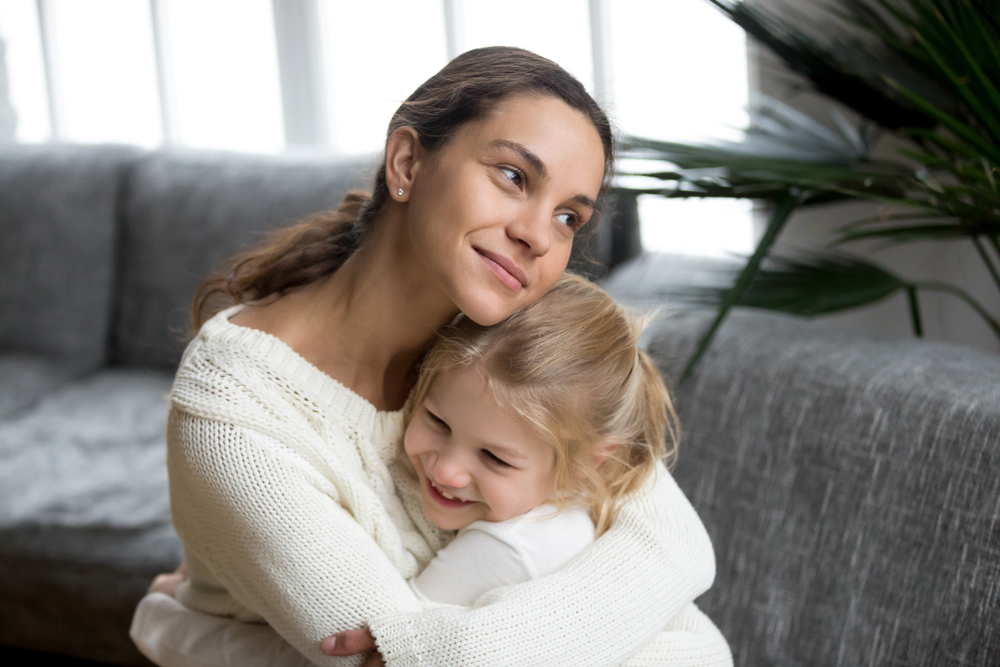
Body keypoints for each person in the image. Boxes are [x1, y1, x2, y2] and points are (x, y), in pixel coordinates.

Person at [140, 46, 721, 667]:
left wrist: (457, 646)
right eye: (513, 176)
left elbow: (678, 546)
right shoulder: (234, 413)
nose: (537, 234)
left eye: (567, 216)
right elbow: (366, 659)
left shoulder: (508, 338)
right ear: (409, 162)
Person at [131, 275, 732, 666]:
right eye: (437, 420)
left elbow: (369, 660)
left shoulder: (507, 548)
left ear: (586, 464)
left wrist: (167, 626)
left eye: (494, 458)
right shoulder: (590, 479)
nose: (445, 468)